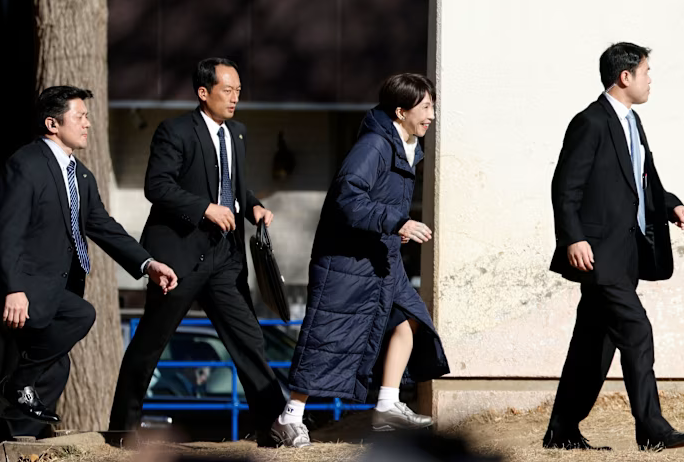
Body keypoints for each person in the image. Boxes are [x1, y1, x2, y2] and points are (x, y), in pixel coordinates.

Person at [109, 58, 285, 445]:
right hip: (179, 257)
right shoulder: (174, 131)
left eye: (239, 91)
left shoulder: (237, 133)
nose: (235, 98)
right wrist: (205, 209)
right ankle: (123, 431)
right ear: (204, 92)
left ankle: (273, 427)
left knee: (249, 341)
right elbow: (157, 186)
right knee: (150, 345)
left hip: (226, 260)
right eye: (228, 90)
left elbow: (232, 186)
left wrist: (253, 206)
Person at [270, 73, 450, 448]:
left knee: (410, 318)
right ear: (400, 111)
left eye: (432, 106)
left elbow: (378, 204)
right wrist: (396, 222)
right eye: (425, 107)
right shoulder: (374, 145)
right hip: (346, 261)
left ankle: (387, 405)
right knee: (327, 336)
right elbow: (347, 198)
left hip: (380, 257)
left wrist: (394, 229)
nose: (431, 115)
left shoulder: (407, 145)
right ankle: (289, 417)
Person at [0, 86, 178, 436]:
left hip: (57, 290)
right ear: (53, 123)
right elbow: (8, 231)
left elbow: (104, 227)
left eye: (87, 116)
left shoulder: (80, 175)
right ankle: (17, 398)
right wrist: (13, 288)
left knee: (56, 371)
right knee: (80, 316)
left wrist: (147, 264)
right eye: (79, 116)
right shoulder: (26, 165)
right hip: (26, 292)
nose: (87, 124)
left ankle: (22, 441)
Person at [546, 42, 684, 451]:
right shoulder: (590, 122)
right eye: (646, 72)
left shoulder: (632, 122)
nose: (650, 80)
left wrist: (671, 204)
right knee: (636, 330)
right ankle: (653, 429)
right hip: (597, 254)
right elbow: (565, 187)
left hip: (626, 255)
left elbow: (640, 180)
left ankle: (562, 431)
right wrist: (573, 237)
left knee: (593, 346)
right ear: (625, 77)